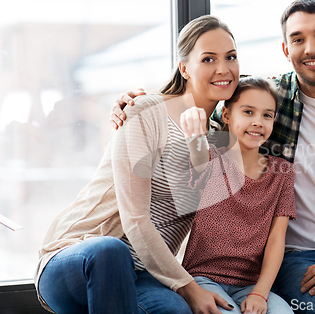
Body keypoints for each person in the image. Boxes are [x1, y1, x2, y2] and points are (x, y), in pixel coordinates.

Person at [111, 0, 315, 313]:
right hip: (296, 258)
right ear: (285, 49)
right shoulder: (270, 100)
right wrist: (141, 102)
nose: (310, 48)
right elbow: (206, 115)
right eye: (298, 39)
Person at [35, 15, 241, 314]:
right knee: (111, 251)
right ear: (184, 67)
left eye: (231, 57)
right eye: (208, 59)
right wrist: (190, 289)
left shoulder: (219, 143)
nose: (223, 68)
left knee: (176, 311)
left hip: (144, 275)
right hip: (80, 257)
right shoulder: (146, 110)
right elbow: (135, 220)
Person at [179, 77, 296, 314]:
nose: (257, 122)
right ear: (226, 115)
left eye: (267, 115)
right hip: (203, 277)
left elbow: (276, 240)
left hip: (250, 284)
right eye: (248, 112)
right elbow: (197, 154)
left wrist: (260, 294)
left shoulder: (283, 172)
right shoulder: (211, 158)